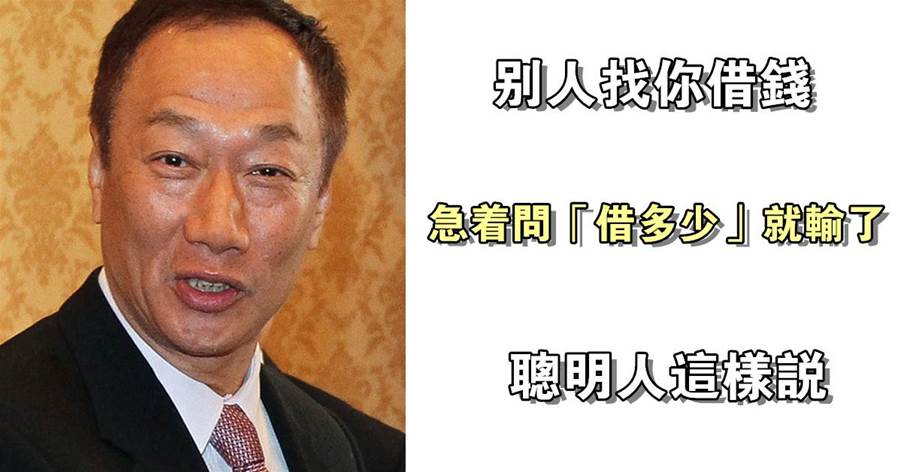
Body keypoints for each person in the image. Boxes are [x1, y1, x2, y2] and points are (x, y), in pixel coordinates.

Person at [0, 0, 404, 470]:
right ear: (98, 172)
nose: (217, 230)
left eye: (267, 171)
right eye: (175, 161)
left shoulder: (377, 455)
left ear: (320, 205)